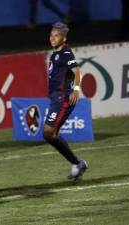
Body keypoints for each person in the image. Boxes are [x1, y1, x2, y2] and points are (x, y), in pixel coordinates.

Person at [43, 22, 88, 182]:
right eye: (51, 35)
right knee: (51, 134)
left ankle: (77, 163)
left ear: (64, 38)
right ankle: (77, 164)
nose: (53, 38)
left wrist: (76, 89)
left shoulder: (66, 53)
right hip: (55, 99)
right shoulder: (54, 54)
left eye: (57, 36)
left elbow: (77, 71)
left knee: (48, 133)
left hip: (63, 100)